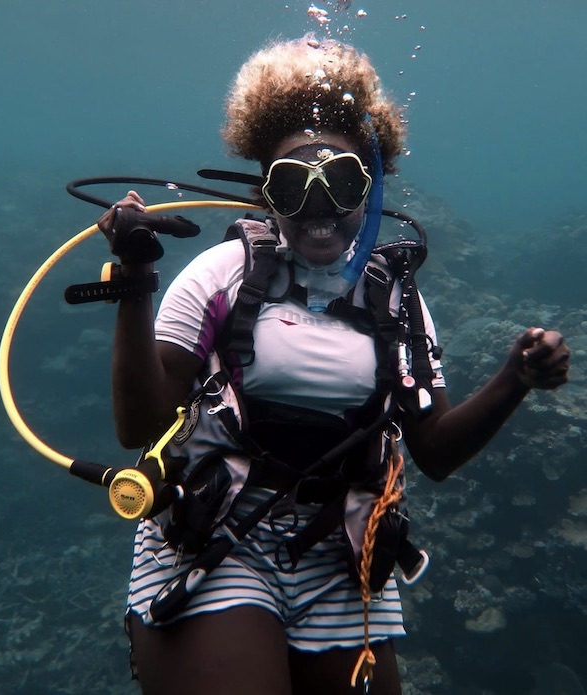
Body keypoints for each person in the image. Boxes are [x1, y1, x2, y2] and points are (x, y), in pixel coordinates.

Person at [98, 35, 570, 695]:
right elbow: (138, 424)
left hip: (339, 553)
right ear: (267, 193)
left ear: (370, 187)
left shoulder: (396, 298)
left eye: (340, 182)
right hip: (214, 538)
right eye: (294, 186)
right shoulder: (222, 274)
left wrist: (515, 379)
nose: (319, 207)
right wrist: (137, 278)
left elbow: (432, 449)